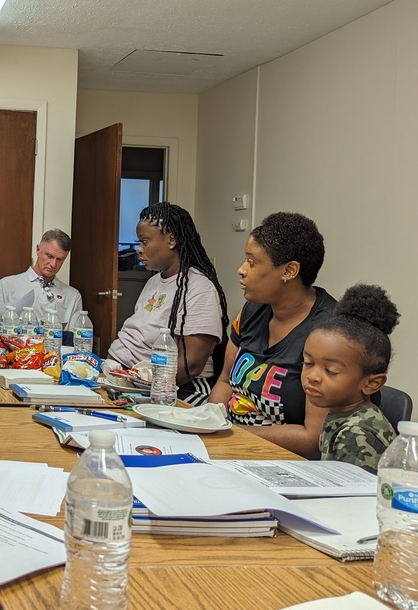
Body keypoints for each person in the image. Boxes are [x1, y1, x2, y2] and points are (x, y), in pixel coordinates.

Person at [209, 212, 337, 459]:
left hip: (286, 462)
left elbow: (312, 439)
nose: (241, 270)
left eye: (252, 262)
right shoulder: (252, 309)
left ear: (289, 270)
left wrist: (232, 432)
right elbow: (224, 381)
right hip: (232, 448)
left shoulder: (329, 333)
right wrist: (209, 422)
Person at [102, 203, 228, 405]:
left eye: (144, 242)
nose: (139, 250)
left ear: (171, 240)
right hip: (124, 379)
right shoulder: (154, 281)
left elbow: (191, 366)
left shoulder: (199, 288)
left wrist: (139, 392)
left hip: (172, 390)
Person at [302, 284, 398, 473]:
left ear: (371, 384)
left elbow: (349, 499)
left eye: (330, 371)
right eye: (308, 362)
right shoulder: (340, 413)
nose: (312, 376)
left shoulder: (357, 433)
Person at [0, 229, 84, 329]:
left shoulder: (73, 296)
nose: (53, 264)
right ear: (38, 249)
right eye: (49, 256)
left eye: (59, 259)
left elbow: (76, 340)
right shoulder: (7, 285)